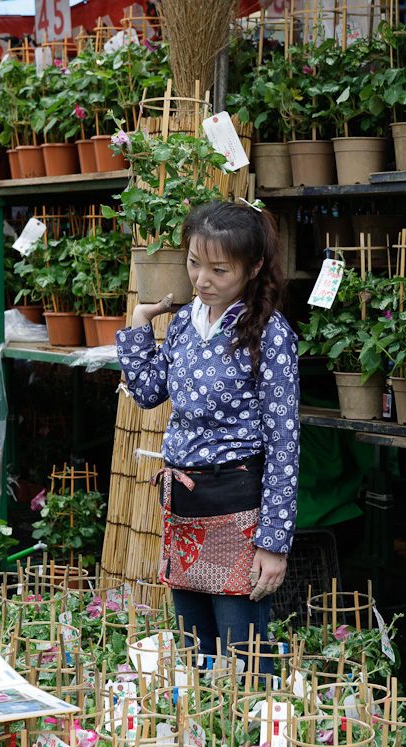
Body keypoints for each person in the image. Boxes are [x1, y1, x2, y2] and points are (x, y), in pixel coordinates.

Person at [116, 200, 299, 673]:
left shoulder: (269, 334)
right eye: (194, 264)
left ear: (253, 267)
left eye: (219, 269)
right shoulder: (182, 323)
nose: (201, 280)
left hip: (237, 513)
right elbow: (149, 392)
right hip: (183, 508)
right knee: (197, 657)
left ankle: (256, 746)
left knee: (244, 661)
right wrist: (140, 325)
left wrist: (273, 543)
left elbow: (284, 444)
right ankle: (202, 744)